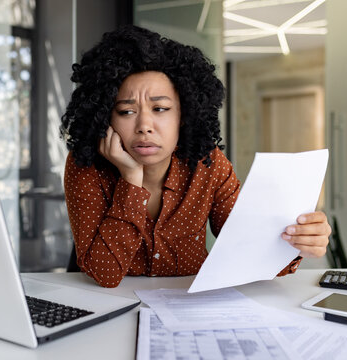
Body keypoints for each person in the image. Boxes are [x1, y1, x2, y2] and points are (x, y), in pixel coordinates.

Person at [60, 25, 331, 288]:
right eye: (126, 111)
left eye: (160, 108)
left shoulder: (207, 164)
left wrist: (298, 243)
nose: (144, 125)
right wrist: (131, 180)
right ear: (106, 118)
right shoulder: (86, 166)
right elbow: (102, 275)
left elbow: (251, 249)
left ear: (183, 116)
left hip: (188, 305)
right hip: (107, 309)